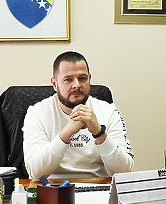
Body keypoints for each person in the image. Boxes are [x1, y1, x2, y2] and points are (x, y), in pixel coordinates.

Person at [23, 51, 134, 179]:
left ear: (89, 79)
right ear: (55, 84)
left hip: (99, 188)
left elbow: (124, 172)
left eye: (82, 78)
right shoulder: (36, 113)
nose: (76, 85)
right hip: (54, 189)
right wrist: (66, 133)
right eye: (68, 80)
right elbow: (35, 173)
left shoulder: (109, 111)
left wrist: (99, 133)